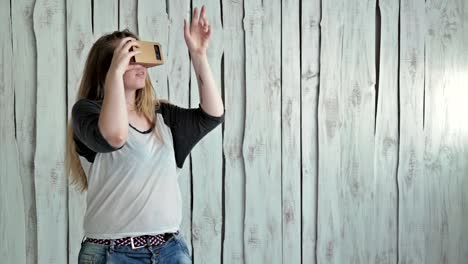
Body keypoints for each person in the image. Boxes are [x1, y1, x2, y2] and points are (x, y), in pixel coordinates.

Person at [65, 5, 224, 263]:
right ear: (108, 67)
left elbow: (212, 114)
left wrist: (198, 54)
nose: (141, 65)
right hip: (112, 253)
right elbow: (114, 137)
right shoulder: (86, 112)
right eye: (131, 57)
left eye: (141, 55)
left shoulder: (163, 116)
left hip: (170, 249)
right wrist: (115, 73)